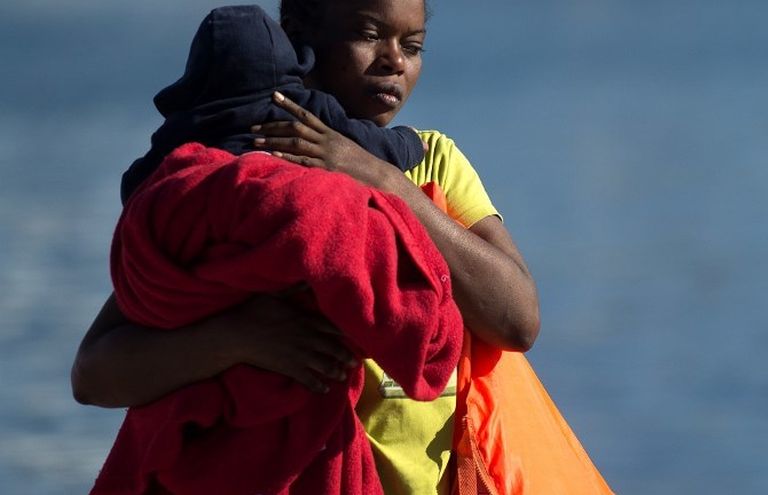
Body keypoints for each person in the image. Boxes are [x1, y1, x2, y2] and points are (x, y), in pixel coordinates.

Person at [72, 0, 540, 493]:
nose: (394, 61)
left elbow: (517, 320)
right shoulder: (257, 178)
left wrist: (382, 180)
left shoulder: (432, 164)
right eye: (368, 35)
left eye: (413, 46)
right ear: (299, 36)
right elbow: (94, 373)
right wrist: (236, 340)